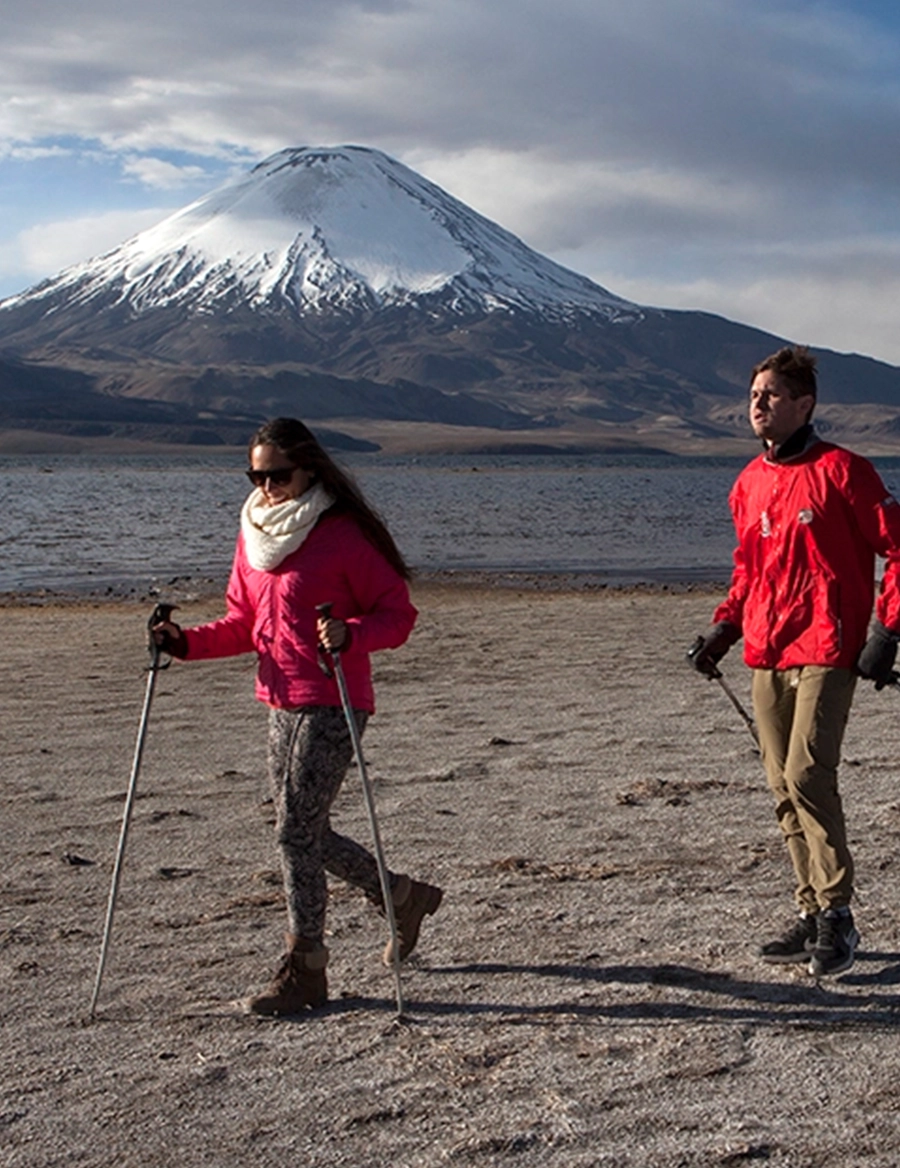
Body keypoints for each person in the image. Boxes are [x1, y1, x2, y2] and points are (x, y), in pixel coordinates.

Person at [153, 417, 443, 1015]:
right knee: (304, 830)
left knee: (293, 832)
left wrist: (350, 633)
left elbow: (399, 614)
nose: (266, 488)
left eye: (277, 476)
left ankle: (306, 967)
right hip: (279, 699)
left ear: (309, 468)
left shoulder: (342, 534)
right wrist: (184, 643)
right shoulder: (255, 535)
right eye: (255, 476)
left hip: (336, 699)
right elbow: (244, 625)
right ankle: (399, 897)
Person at [688, 346, 900, 977]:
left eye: (772, 395)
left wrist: (888, 629)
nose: (758, 404)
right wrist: (724, 628)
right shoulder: (748, 484)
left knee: (809, 773)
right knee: (781, 784)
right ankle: (809, 911)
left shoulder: (846, 472)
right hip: (767, 649)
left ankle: (838, 914)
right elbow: (750, 568)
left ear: (804, 405)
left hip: (828, 648)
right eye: (754, 394)